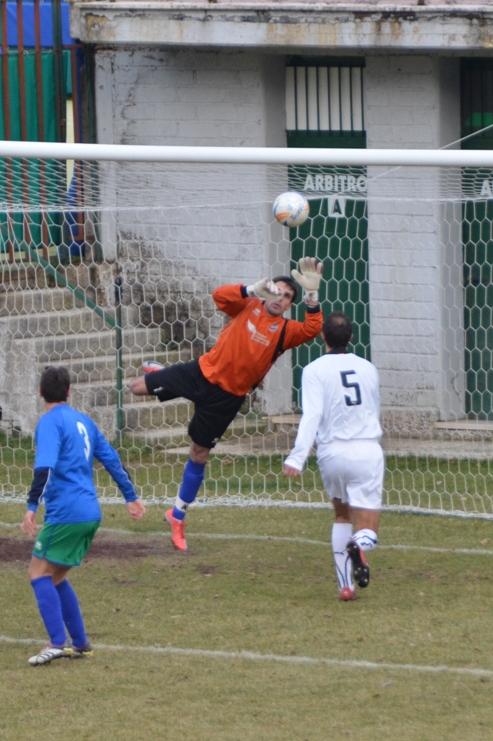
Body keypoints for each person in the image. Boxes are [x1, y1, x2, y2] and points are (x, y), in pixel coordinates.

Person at [129, 258, 325, 551]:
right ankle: (165, 377)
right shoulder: (248, 305)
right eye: (276, 290)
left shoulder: (286, 331)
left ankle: (177, 516)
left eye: (286, 296)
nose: (280, 298)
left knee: (199, 454)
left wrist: (312, 295)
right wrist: (249, 289)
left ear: (288, 306)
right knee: (136, 387)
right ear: (266, 291)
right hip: (201, 372)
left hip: (227, 398)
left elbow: (312, 329)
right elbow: (219, 296)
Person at [21, 366, 146, 666]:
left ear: (40, 392)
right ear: (69, 392)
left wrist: (32, 506)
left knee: (37, 573)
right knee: (56, 576)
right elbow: (112, 459)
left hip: (66, 513)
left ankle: (56, 642)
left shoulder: (50, 423)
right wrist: (131, 496)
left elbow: (45, 468)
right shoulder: (84, 421)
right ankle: (80, 643)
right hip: (90, 512)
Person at [283, 312, 383, 601]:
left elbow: (312, 415)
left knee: (341, 515)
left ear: (322, 336)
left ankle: (346, 586)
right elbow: (374, 409)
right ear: (351, 337)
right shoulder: (368, 368)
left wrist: (297, 457)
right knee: (368, 528)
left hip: (332, 453)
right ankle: (358, 544)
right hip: (366, 450)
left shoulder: (313, 369)